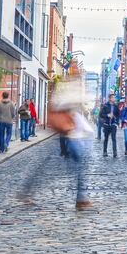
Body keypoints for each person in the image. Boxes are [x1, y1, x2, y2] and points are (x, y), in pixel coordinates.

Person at [49, 75, 95, 210]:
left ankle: (81, 198)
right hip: (74, 138)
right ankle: (81, 199)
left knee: (80, 168)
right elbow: (65, 105)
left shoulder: (71, 100)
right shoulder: (67, 96)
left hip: (77, 137)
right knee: (80, 169)